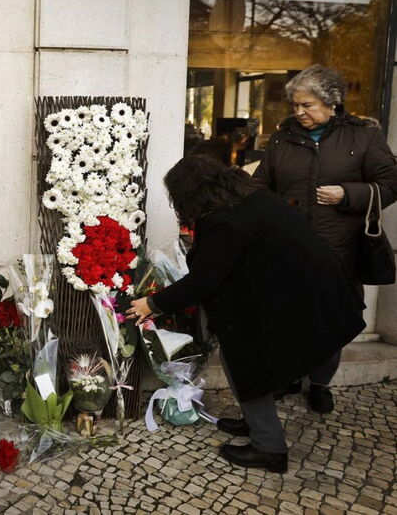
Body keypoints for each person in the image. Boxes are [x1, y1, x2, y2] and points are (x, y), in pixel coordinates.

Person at [126, 156, 365, 473]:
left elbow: (204, 281)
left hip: (297, 296)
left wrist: (151, 304)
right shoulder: (252, 197)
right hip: (319, 288)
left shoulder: (221, 222)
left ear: (188, 194)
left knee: (243, 361)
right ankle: (257, 422)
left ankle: (269, 448)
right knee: (292, 352)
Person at [252, 65, 397, 412]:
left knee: (330, 318)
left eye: (308, 105)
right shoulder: (282, 137)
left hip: (339, 249)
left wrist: (347, 194)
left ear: (332, 103)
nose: (299, 112)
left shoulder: (363, 136)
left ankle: (319, 384)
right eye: (296, 105)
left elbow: (390, 185)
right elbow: (260, 186)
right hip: (288, 247)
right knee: (286, 315)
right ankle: (286, 376)